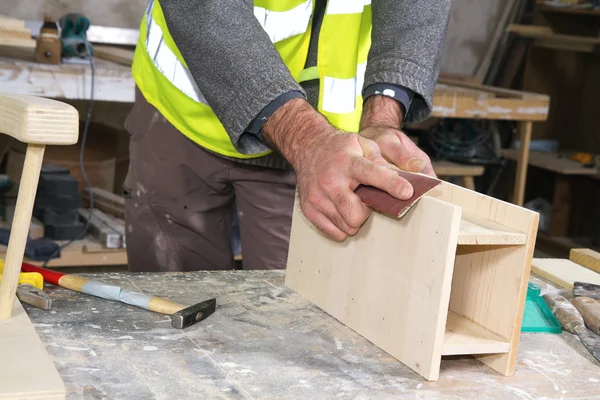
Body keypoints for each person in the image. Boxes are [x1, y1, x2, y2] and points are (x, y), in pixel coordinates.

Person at [123, 0, 452, 272]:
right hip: (184, 114)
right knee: (172, 304)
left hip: (331, 149)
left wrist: (383, 115)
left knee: (297, 320)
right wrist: (308, 141)